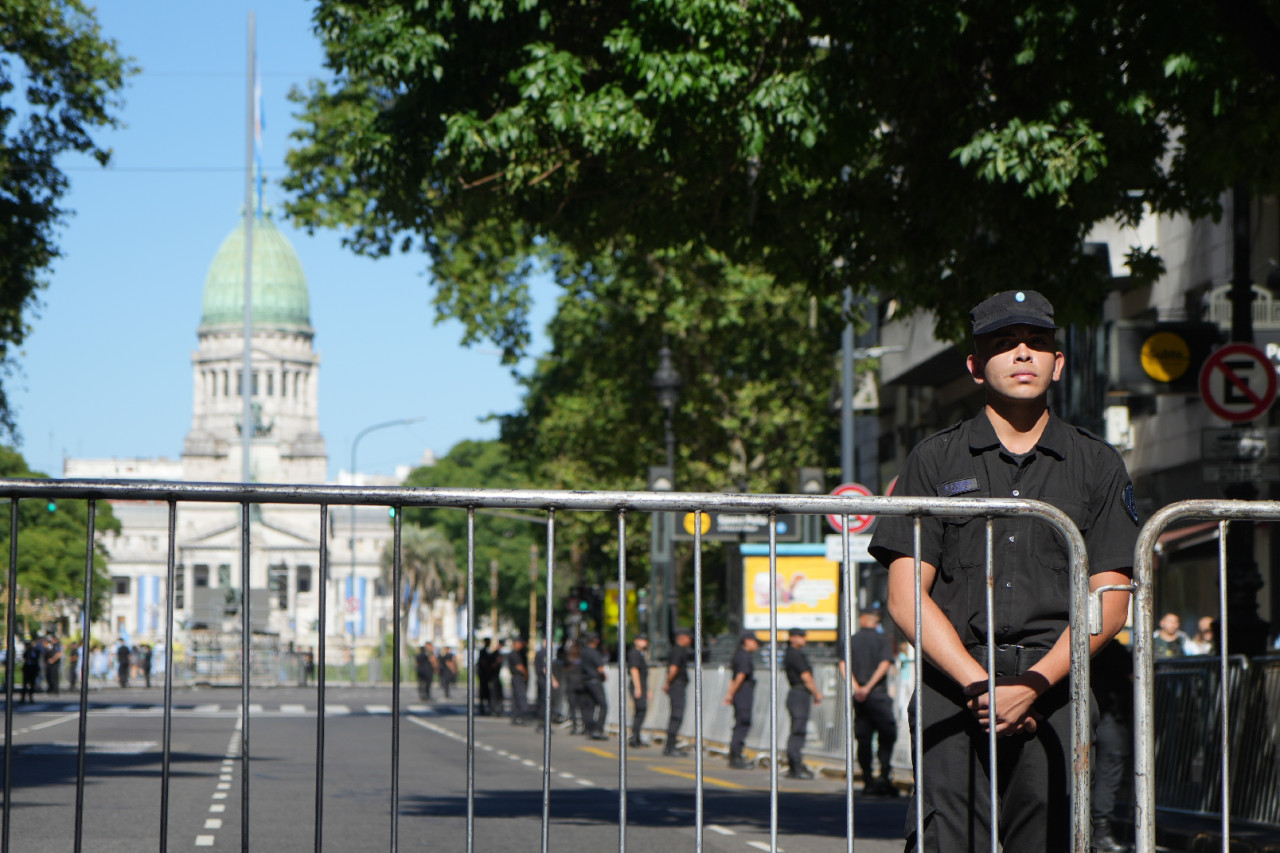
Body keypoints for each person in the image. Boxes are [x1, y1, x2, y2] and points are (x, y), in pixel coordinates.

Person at [868, 290, 1138, 853]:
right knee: (946, 842)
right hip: (955, 687)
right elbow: (905, 596)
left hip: (1058, 688)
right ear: (974, 366)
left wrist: (1033, 683)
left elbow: (1110, 599)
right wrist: (980, 685)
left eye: (1037, 343)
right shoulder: (934, 459)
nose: (1023, 354)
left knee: (1047, 841)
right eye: (1004, 344)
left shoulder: (1097, 463)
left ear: (1058, 364)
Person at [839, 608, 898, 795]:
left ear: (863, 619)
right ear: (877, 621)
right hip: (877, 695)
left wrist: (857, 687)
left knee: (863, 737)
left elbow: (843, 664)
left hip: (860, 697)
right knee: (887, 734)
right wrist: (869, 687)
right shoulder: (883, 640)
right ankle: (884, 775)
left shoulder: (851, 640)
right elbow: (885, 664)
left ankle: (867, 779)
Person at [1091, 639, 1133, 853]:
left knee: (1108, 767)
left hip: (1107, 714)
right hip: (1103, 714)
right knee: (1108, 768)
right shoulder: (1111, 646)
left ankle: (1100, 829)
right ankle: (1099, 830)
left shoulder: (1112, 646)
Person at [783, 628, 822, 779]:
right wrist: (816, 693)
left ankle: (795, 765)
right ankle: (795, 766)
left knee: (798, 729)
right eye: (800, 636)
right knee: (798, 730)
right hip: (799, 694)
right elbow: (806, 676)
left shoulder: (793, 653)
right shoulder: (795, 654)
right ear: (792, 638)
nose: (804, 639)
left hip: (798, 694)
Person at [723, 631, 759, 769]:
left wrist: (730, 694)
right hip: (743, 693)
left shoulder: (738, 655)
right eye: (754, 642)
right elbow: (740, 676)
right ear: (747, 641)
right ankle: (736, 757)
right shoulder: (744, 656)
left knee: (740, 724)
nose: (756, 645)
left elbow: (734, 678)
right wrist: (731, 693)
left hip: (739, 694)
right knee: (743, 723)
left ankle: (735, 755)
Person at [662, 627, 694, 756]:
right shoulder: (677, 651)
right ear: (683, 638)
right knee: (676, 716)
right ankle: (670, 747)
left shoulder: (678, 651)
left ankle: (671, 745)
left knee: (676, 716)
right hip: (677, 686)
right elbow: (673, 669)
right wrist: (667, 683)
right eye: (689, 638)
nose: (691, 640)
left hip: (677, 686)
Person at [580, 633, 608, 740]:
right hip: (594, 680)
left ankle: (589, 728)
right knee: (603, 705)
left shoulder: (584, 652)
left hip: (585, 681)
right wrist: (604, 676)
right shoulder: (594, 653)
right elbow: (600, 668)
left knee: (589, 706)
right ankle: (598, 729)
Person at [626, 634, 651, 747]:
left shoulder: (641, 654)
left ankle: (637, 736)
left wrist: (647, 689)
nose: (644, 642)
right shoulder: (634, 654)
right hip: (638, 685)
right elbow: (634, 670)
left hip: (642, 685)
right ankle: (634, 738)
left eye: (645, 640)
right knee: (640, 710)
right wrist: (638, 688)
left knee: (641, 711)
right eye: (641, 640)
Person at [533, 639, 558, 730]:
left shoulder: (542, 652)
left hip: (542, 680)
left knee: (543, 702)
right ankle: (543, 724)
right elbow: (545, 668)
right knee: (546, 702)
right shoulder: (544, 653)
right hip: (544, 681)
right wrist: (553, 680)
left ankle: (543, 724)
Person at [563, 640, 587, 734]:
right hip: (580, 684)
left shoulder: (569, 655)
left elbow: (565, 668)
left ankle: (575, 726)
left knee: (573, 707)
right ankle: (583, 726)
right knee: (582, 707)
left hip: (572, 684)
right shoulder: (582, 656)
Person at [507, 637, 530, 724]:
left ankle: (516, 716)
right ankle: (523, 716)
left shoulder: (520, 653)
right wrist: (526, 674)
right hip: (518, 677)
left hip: (516, 677)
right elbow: (520, 667)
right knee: (521, 697)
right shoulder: (515, 654)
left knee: (516, 697)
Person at [21, 635, 42, 702]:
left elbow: (37, 656)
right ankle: (23, 698)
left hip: (33, 668)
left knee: (32, 684)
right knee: (25, 684)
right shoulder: (27, 652)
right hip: (27, 668)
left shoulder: (35, 651)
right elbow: (24, 657)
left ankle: (31, 698)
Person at [476, 638, 494, 715]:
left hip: (487, 674)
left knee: (487, 691)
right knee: (483, 691)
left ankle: (487, 706)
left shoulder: (488, 651)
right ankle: (482, 707)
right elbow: (483, 662)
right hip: (483, 674)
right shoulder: (483, 651)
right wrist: (487, 669)